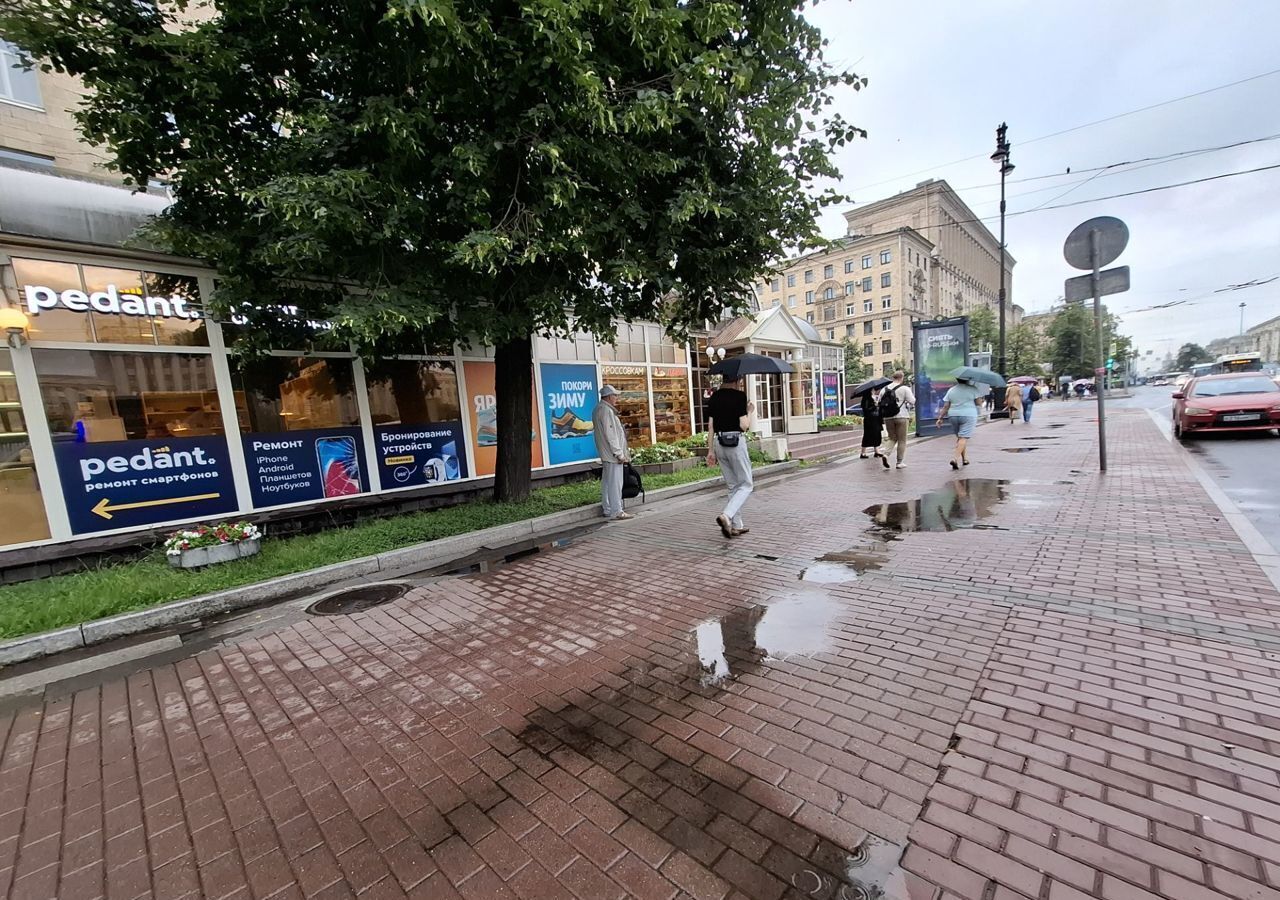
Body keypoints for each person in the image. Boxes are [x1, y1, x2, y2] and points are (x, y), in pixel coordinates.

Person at [704, 375, 755, 538]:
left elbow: (711, 426)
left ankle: (735, 525)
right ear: (736, 380)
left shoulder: (715, 397)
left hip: (719, 443)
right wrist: (749, 411)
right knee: (746, 484)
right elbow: (744, 426)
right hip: (735, 442)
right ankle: (726, 516)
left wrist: (710, 451)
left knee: (733, 485)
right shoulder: (739, 396)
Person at [591, 385, 633, 521]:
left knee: (608, 482)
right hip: (612, 455)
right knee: (615, 482)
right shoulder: (606, 411)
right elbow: (611, 435)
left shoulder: (599, 409)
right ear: (609, 397)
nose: (617, 398)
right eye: (615, 395)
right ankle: (617, 510)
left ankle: (608, 508)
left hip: (607, 454)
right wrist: (619, 454)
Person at [934, 376, 983, 470]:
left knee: (960, 438)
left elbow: (946, 406)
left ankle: (964, 459)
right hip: (969, 415)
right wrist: (979, 395)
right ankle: (955, 459)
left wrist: (940, 418)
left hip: (953, 415)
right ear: (968, 379)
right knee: (963, 438)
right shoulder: (973, 388)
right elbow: (978, 403)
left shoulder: (951, 390)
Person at [884, 371, 914, 469]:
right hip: (902, 416)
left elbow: (880, 402)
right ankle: (899, 462)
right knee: (902, 440)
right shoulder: (904, 388)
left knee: (892, 438)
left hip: (888, 417)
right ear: (901, 378)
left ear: (893, 378)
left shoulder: (884, 389)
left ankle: (885, 454)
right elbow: (912, 401)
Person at [859, 384, 891, 466]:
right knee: (868, 435)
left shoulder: (872, 398)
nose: (874, 390)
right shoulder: (866, 399)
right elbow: (866, 409)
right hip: (870, 420)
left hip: (876, 419)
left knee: (877, 434)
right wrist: (875, 406)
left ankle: (877, 451)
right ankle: (863, 453)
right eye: (872, 389)